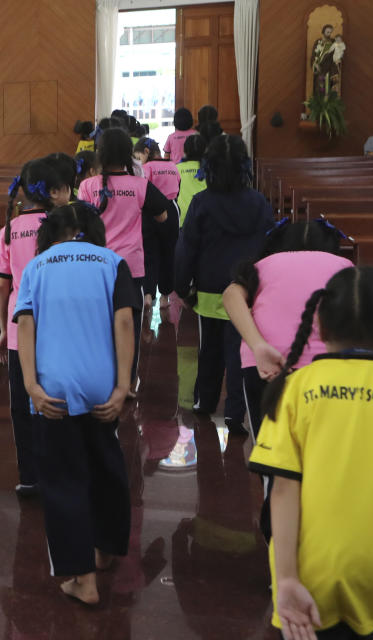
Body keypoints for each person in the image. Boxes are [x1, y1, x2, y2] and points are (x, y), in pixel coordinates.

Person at [248, 265, 373, 640]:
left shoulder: (296, 388)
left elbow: (283, 490)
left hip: (314, 568)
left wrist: (285, 579)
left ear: (319, 325)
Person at [13, 202, 138, 606]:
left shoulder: (37, 267)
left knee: (64, 480)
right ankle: (104, 550)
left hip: (55, 386)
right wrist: (122, 386)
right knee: (106, 467)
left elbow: (26, 324)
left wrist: (30, 385)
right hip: (101, 383)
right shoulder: (113, 262)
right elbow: (124, 321)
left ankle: (82, 580)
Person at [174, 134, 272, 433]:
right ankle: (235, 412)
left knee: (209, 351)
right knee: (240, 351)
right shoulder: (259, 202)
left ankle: (205, 400)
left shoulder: (202, 202)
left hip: (208, 288)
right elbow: (270, 247)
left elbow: (186, 246)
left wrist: (182, 286)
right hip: (246, 290)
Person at [223, 219, 352, 438]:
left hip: (267, 365)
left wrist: (258, 345)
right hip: (328, 366)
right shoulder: (343, 265)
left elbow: (230, 295)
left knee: (269, 452)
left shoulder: (264, 264)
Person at [0, 159, 72, 498]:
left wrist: (1, 328)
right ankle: (59, 472)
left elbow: (1, 285)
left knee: (21, 404)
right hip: (58, 328)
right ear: (53, 191)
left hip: (19, 328)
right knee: (58, 399)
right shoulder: (64, 227)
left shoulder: (10, 229)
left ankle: (29, 477)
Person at [78, 128, 170, 394]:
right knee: (128, 321)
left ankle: (99, 380)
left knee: (97, 323)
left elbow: (81, 224)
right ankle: (128, 382)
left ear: (100, 154)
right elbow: (163, 215)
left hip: (94, 263)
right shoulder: (139, 185)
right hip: (130, 265)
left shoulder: (87, 186)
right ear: (128, 156)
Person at [135, 137, 181, 309]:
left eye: (138, 157)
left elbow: (142, 190)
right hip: (171, 211)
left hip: (149, 212)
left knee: (149, 254)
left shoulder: (146, 168)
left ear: (146, 152)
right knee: (169, 254)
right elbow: (178, 189)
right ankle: (165, 296)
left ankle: (147, 295)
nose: (138, 161)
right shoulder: (173, 166)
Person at [176, 135, 208, 227]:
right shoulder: (210, 169)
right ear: (205, 150)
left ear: (184, 150)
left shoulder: (176, 169)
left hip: (181, 219)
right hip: (205, 218)